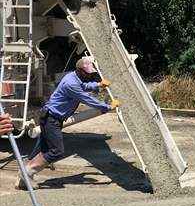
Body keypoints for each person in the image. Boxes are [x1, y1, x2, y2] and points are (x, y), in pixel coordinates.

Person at [15, 57, 120, 190]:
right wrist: (108, 107)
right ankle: (28, 172)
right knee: (56, 151)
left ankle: (23, 178)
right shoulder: (71, 84)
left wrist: (98, 85)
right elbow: (86, 98)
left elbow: (84, 87)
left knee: (44, 149)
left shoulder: (73, 77)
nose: (89, 75)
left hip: (50, 117)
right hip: (51, 118)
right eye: (87, 72)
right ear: (79, 70)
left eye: (90, 73)